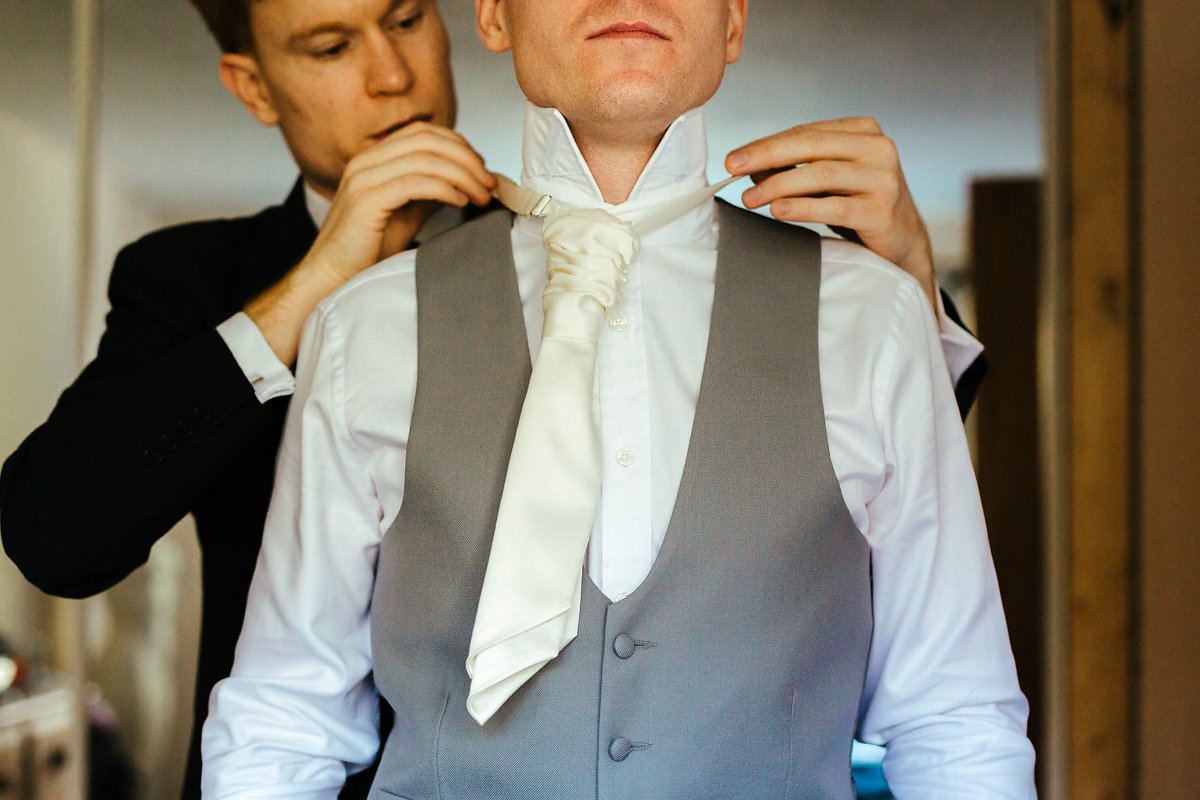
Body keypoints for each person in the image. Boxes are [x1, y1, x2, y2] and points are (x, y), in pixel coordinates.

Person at [0, 0, 984, 797]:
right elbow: (62, 535)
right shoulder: (236, 286)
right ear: (253, 85)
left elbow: (861, 565)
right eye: (333, 44)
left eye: (403, 18)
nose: (391, 74)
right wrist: (314, 287)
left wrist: (905, 288)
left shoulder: (846, 309)